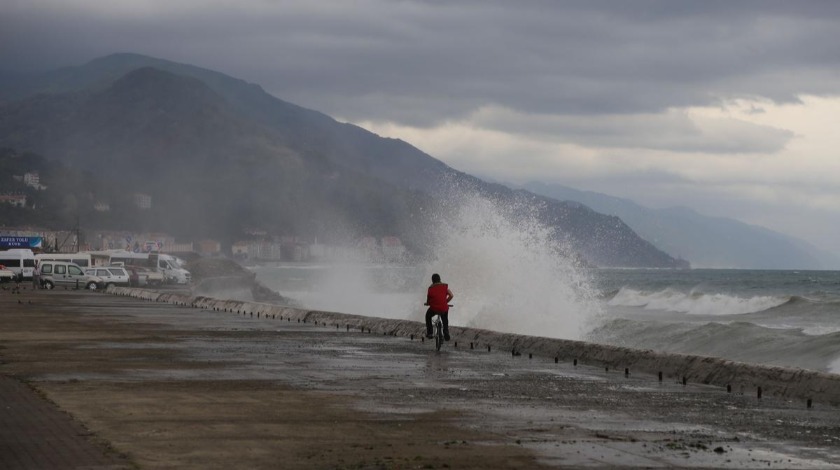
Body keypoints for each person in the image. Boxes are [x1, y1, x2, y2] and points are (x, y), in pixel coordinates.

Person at [425, 273, 454, 341]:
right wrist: (446, 302)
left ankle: (430, 333)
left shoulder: (430, 289)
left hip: (434, 308)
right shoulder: (444, 286)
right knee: (445, 319)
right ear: (440, 279)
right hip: (444, 307)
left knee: (428, 316)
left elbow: (428, 301)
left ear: (432, 281)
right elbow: (451, 295)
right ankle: (446, 333)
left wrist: (428, 303)